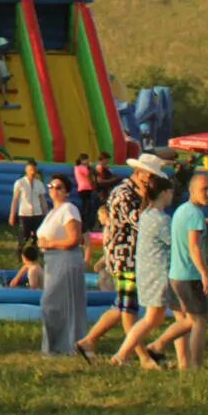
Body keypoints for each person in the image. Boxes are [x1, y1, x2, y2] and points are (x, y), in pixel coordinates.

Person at [77, 154, 170, 363]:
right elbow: (141, 223)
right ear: (141, 174)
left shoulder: (136, 192)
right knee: (129, 307)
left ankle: (88, 341)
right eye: (151, 177)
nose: (152, 182)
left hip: (133, 255)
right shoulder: (124, 193)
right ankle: (140, 356)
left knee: (121, 306)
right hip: (124, 256)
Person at [110, 180, 181, 368]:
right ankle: (123, 353)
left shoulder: (147, 214)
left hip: (147, 272)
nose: (172, 196)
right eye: (170, 192)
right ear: (164, 193)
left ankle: (132, 353)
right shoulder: (161, 219)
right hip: (157, 274)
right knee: (151, 318)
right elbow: (176, 244)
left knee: (155, 318)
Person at [168, 171, 208, 371]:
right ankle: (196, 366)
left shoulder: (181, 210)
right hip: (189, 276)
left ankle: (183, 364)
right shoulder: (196, 215)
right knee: (199, 322)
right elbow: (194, 247)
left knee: (182, 321)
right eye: (204, 189)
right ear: (191, 191)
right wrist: (205, 274)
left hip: (174, 275)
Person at [36, 174, 87, 356]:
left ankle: (67, 344)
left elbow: (74, 239)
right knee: (53, 303)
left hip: (65, 259)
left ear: (66, 192)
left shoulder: (69, 209)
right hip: (52, 260)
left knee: (52, 303)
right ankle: (54, 346)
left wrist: (49, 244)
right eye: (51, 186)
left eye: (59, 187)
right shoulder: (52, 212)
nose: (54, 190)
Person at [8, 160, 47, 246]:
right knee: (24, 236)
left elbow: (43, 200)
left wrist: (45, 213)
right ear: (26, 170)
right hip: (24, 214)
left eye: (34, 170)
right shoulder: (20, 183)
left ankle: (33, 253)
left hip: (37, 213)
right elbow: (15, 199)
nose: (33, 172)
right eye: (31, 170)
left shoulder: (39, 184)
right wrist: (12, 215)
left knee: (37, 236)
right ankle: (21, 252)